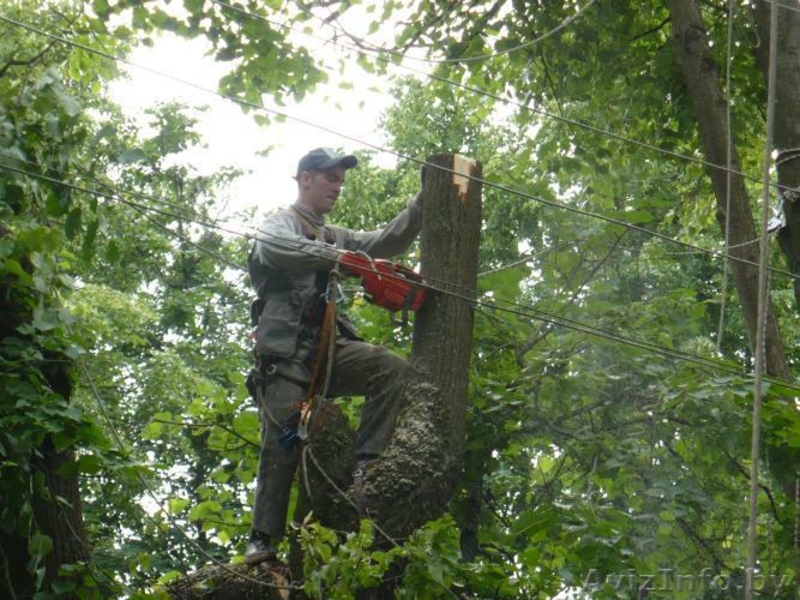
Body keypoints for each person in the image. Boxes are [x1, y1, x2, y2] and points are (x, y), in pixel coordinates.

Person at [244, 147, 424, 564]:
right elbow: (273, 248)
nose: (337, 187)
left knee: (389, 367)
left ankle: (367, 463)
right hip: (286, 356)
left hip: (328, 352)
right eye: (330, 179)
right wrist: (339, 258)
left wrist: (423, 201)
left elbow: (386, 241)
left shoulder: (334, 235)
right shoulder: (281, 222)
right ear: (305, 178)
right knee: (281, 445)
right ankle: (262, 539)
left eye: (341, 180)